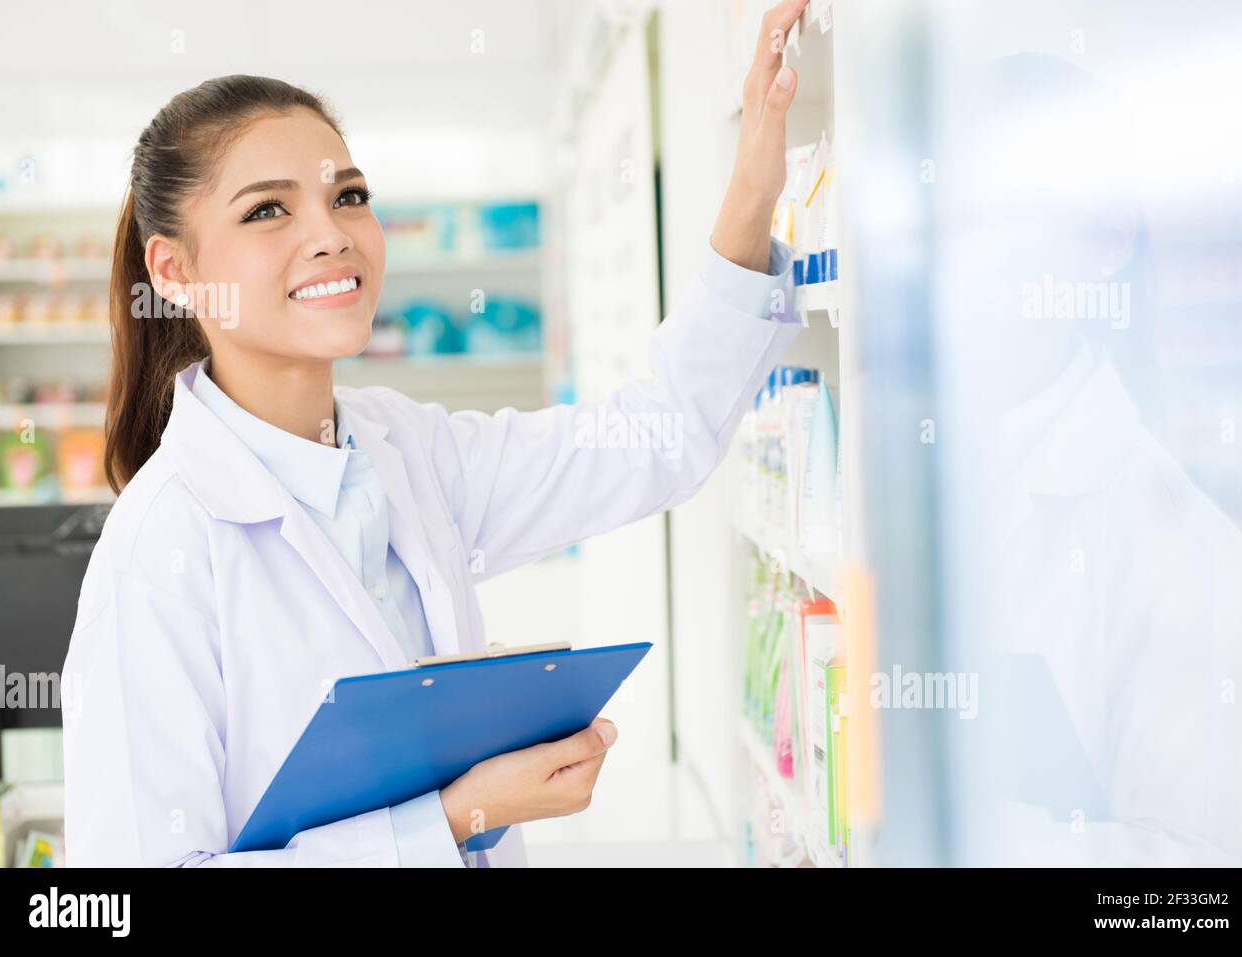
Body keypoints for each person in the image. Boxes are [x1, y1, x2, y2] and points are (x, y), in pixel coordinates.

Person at [60, 0, 812, 867]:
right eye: (268, 211)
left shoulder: (404, 451)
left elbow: (654, 439)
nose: (331, 236)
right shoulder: (159, 552)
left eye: (349, 196)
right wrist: (450, 819)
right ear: (175, 269)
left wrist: (757, 173)